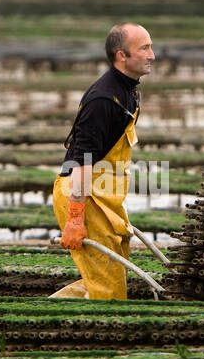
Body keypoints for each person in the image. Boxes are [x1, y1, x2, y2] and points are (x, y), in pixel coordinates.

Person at [50, 23, 154, 299]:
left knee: (109, 277)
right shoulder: (103, 100)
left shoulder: (129, 93)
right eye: (144, 48)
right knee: (109, 289)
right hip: (82, 195)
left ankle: (54, 311)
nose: (151, 55)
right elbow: (83, 161)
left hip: (105, 197)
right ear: (122, 55)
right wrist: (75, 218)